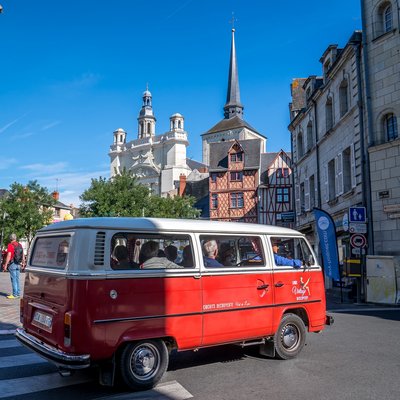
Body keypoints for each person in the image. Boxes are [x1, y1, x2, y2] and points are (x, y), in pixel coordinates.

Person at [2, 234, 23, 299]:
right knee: (17, 279)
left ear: (10, 239)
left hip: (12, 264)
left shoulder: (10, 245)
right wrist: (23, 262)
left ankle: (14, 295)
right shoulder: (20, 245)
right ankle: (18, 294)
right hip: (18, 263)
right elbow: (22, 254)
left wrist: (5, 265)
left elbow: (9, 255)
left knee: (13, 279)